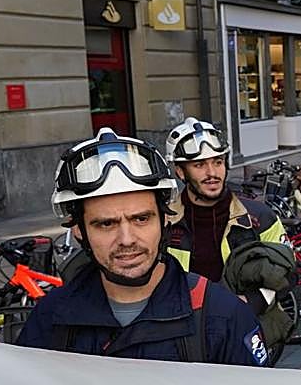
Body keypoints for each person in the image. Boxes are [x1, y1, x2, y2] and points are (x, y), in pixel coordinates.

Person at [17, 128, 267, 365]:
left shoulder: (223, 317)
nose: (127, 239)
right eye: (105, 224)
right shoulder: (51, 318)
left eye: (141, 219)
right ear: (79, 231)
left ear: (166, 219)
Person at [163, 118, 286, 284]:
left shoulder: (259, 216)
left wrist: (252, 302)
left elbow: (288, 271)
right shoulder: (164, 222)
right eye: (199, 165)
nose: (212, 173)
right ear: (180, 172)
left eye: (218, 162)